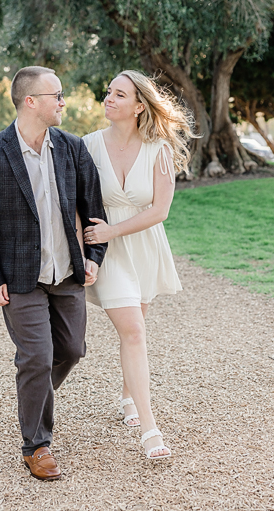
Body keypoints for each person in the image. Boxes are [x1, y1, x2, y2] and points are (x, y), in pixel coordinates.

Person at [0, 66, 107, 481]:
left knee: (72, 351)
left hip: (67, 273)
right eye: (56, 95)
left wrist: (94, 255)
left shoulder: (72, 148)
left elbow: (92, 206)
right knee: (37, 358)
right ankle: (36, 445)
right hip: (20, 277)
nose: (63, 102)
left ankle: (33, 393)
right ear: (31, 101)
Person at [80, 70, 195, 460]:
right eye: (108, 91)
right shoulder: (87, 146)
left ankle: (128, 396)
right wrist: (91, 246)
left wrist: (115, 230)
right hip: (105, 251)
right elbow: (76, 204)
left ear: (139, 105)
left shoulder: (159, 149)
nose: (109, 98)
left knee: (136, 327)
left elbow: (160, 210)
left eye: (119, 94)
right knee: (133, 331)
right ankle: (150, 429)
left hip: (144, 246)